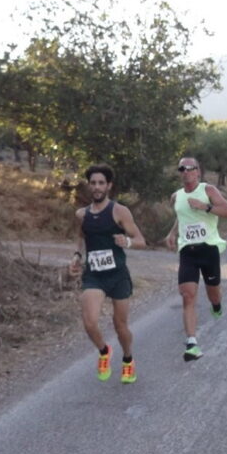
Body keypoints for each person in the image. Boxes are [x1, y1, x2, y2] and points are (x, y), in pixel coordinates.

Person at [67, 164, 147, 383]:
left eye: (101, 183)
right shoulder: (82, 214)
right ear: (88, 186)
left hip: (118, 276)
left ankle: (128, 360)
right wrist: (76, 256)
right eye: (93, 183)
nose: (97, 187)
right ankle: (104, 351)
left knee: (120, 326)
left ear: (109, 186)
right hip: (94, 275)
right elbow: (82, 238)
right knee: (90, 322)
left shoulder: (119, 211)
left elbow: (141, 240)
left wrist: (127, 241)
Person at [164, 157, 227, 361]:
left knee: (213, 293)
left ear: (198, 172)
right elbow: (182, 215)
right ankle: (192, 344)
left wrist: (205, 207)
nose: (185, 171)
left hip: (209, 250)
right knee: (187, 295)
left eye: (190, 168)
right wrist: (171, 233)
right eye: (182, 168)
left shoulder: (208, 191)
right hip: (187, 251)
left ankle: (216, 305)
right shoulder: (176, 196)